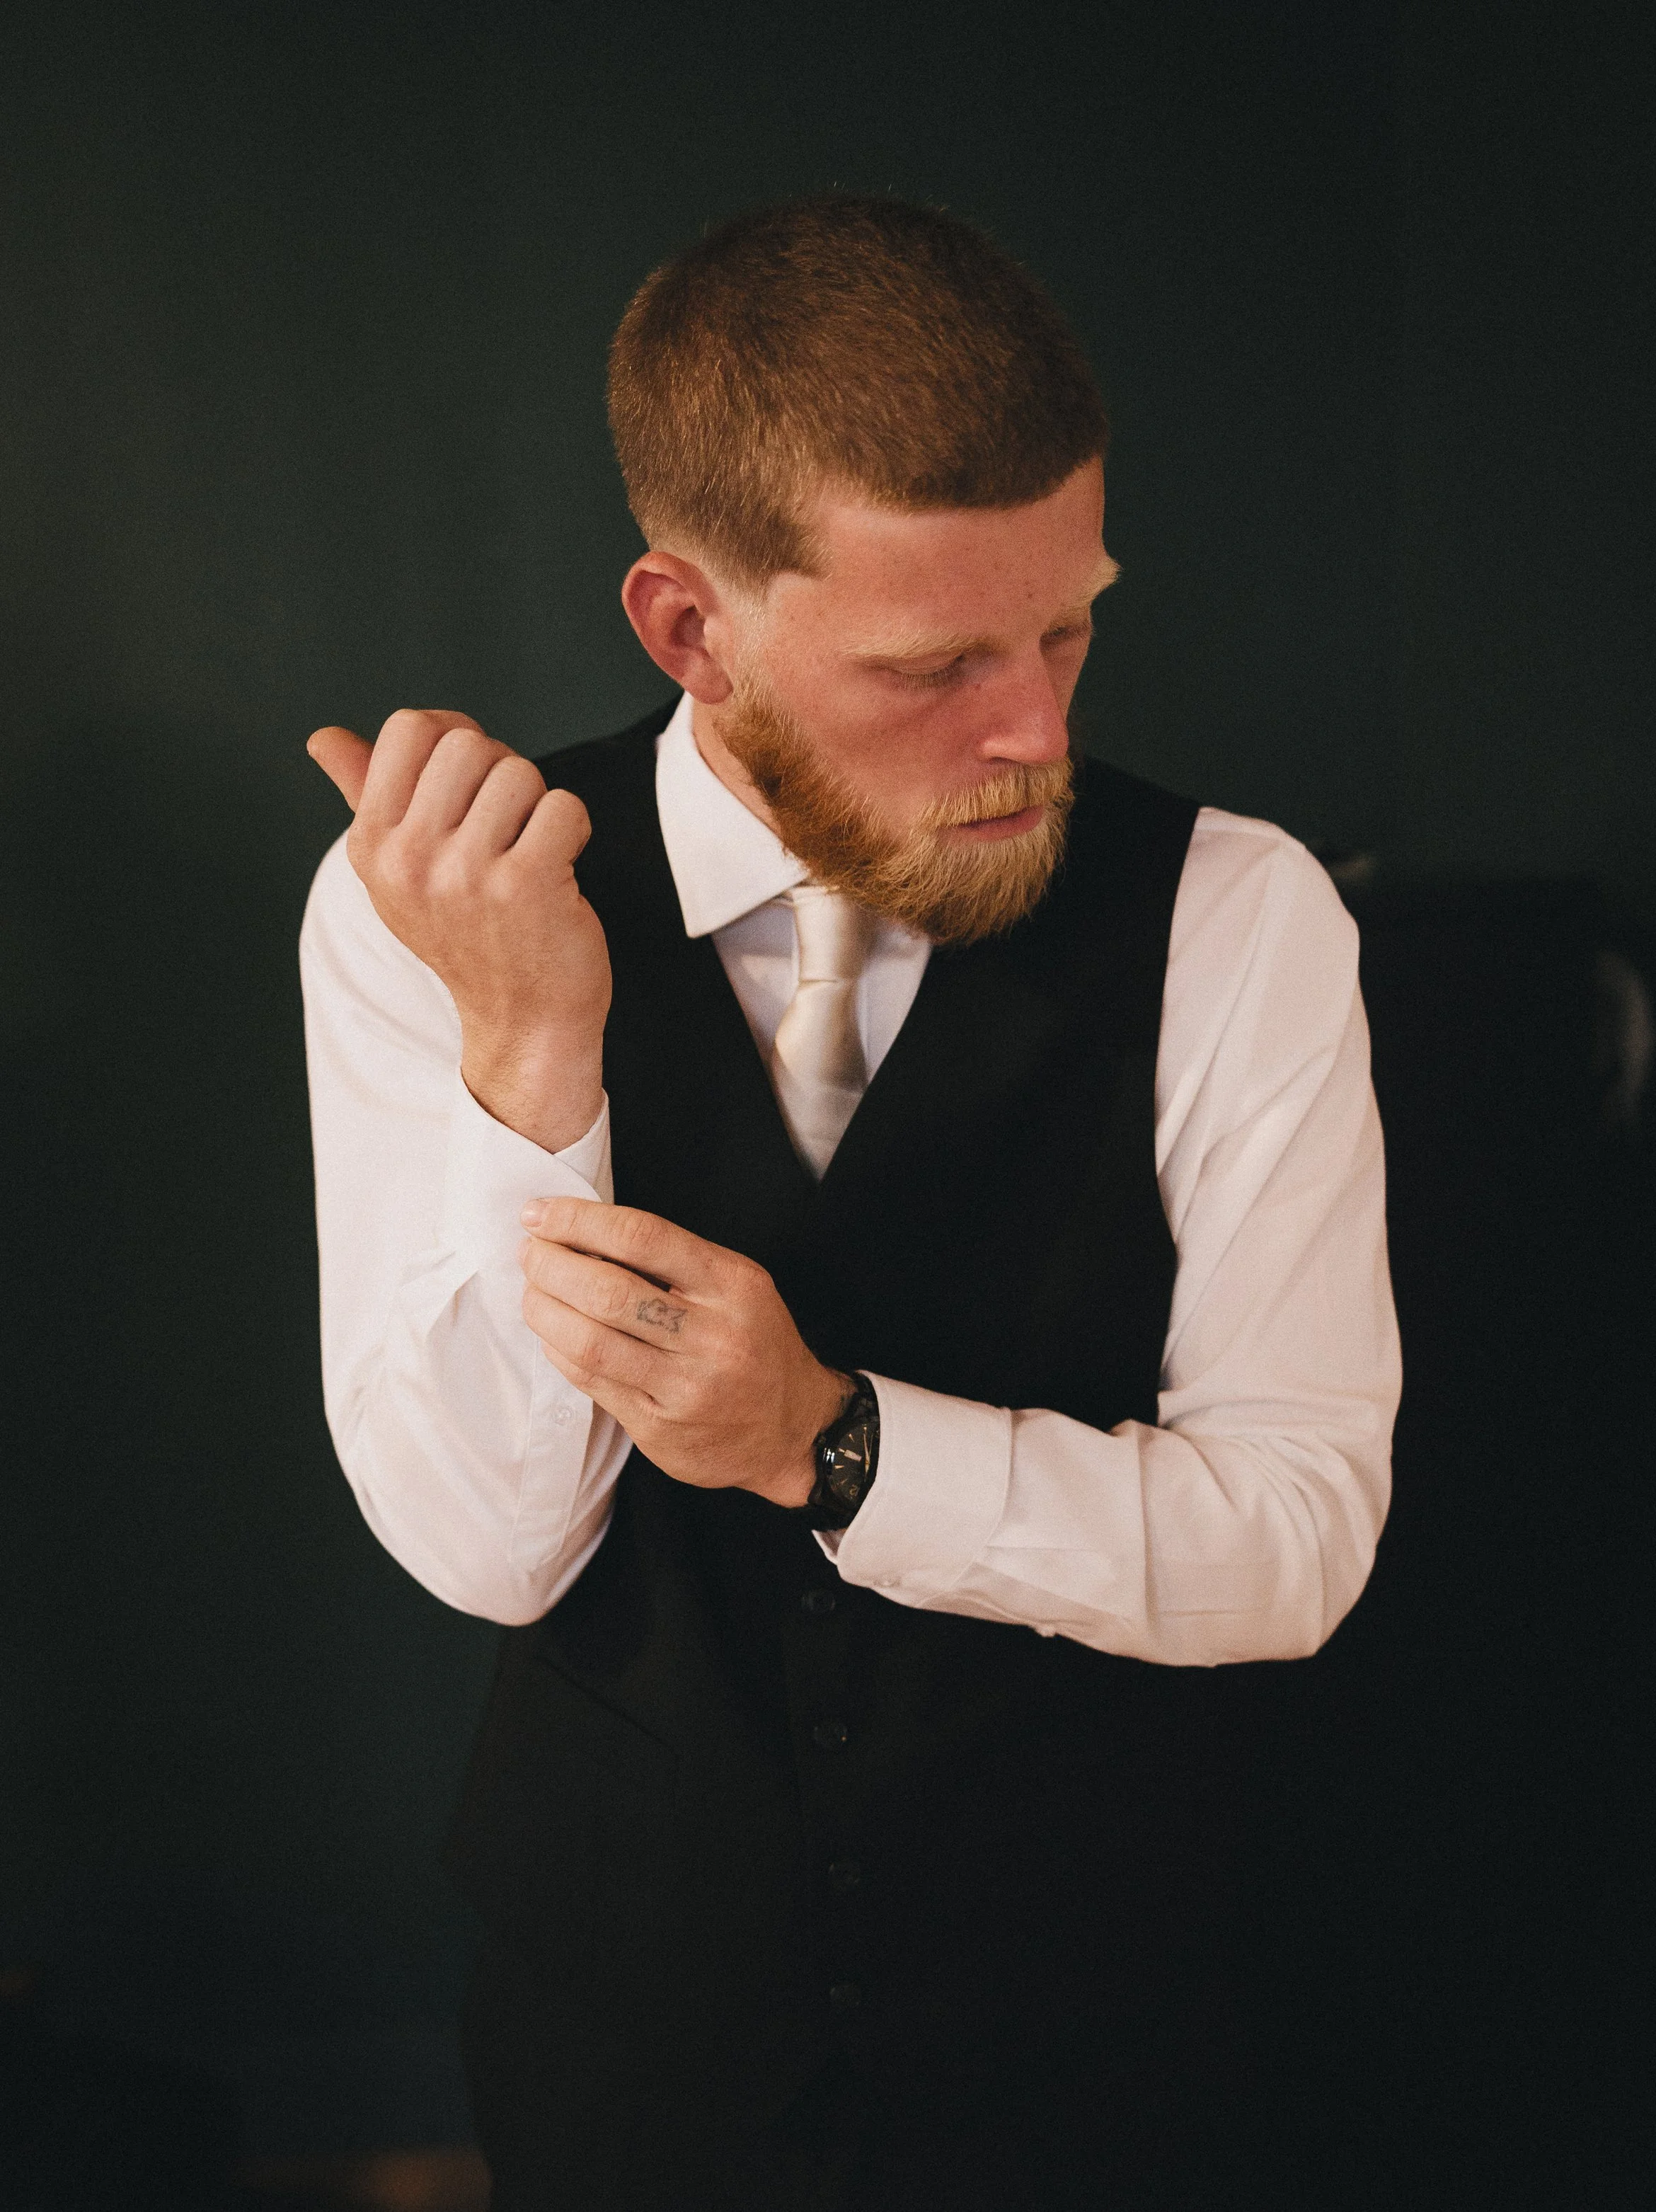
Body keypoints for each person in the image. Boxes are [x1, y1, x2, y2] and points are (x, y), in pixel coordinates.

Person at [300, 196, 1401, 2212]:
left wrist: (833, 1443)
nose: (1035, 733)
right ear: (688, 627)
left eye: (1067, 625)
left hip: (1114, 2024)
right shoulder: (428, 918)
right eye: (935, 663)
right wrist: (536, 1059)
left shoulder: (1240, 915)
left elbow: (1295, 1542)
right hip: (630, 2031)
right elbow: (487, 1547)